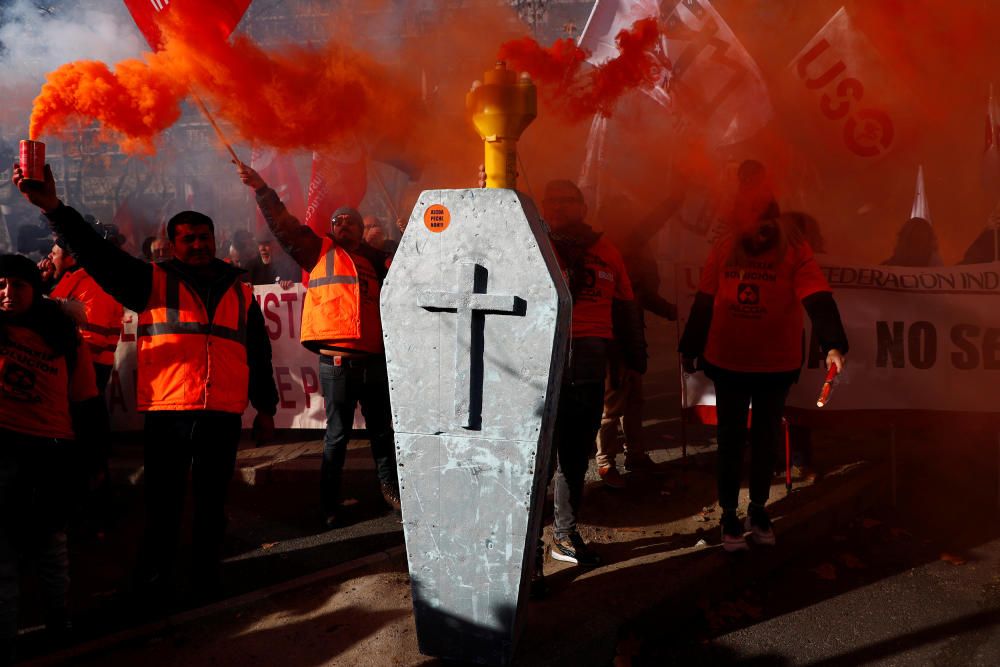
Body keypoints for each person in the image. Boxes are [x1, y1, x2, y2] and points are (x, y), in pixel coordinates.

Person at [12, 162, 279, 605]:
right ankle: (155, 580)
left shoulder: (241, 290)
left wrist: (265, 407)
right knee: (164, 506)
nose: (197, 244)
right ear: (173, 245)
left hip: (222, 416)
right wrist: (55, 209)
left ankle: (207, 576)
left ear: (214, 240)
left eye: (203, 237)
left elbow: (258, 353)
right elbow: (97, 253)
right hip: (169, 414)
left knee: (212, 506)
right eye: (188, 238)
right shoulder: (150, 280)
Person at [237, 162, 401, 527]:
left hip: (374, 363)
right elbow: (284, 225)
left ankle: (390, 491)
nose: (343, 225)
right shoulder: (318, 251)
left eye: (350, 222)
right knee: (338, 435)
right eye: (338, 221)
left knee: (381, 430)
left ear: (361, 230)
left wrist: (410, 240)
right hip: (337, 364)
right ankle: (329, 502)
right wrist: (263, 187)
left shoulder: (379, 262)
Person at [680, 212, 848, 552]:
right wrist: (691, 346)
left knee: (766, 438)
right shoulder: (725, 247)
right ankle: (728, 514)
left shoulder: (793, 250)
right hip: (729, 360)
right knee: (730, 439)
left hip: (775, 364)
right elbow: (705, 298)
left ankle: (758, 510)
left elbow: (817, 297)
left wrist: (833, 344)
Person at [540, 180, 645, 570]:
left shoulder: (607, 250)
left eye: (568, 201)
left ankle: (564, 535)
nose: (560, 207)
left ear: (583, 206)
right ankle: (530, 546)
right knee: (539, 461)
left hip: (589, 363)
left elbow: (626, 306)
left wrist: (634, 361)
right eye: (553, 201)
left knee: (575, 454)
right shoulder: (535, 243)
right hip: (543, 360)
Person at [0, 254, 97, 661]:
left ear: (34, 289)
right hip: (3, 452)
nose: (7, 293)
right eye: (0, 285)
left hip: (51, 452)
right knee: (2, 550)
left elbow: (87, 401)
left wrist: (92, 461)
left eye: (17, 285)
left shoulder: (65, 336)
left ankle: (58, 620)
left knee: (50, 544)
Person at [595, 195, 681, 488]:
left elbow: (642, 295)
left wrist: (669, 310)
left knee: (634, 401)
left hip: (632, 336)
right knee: (612, 405)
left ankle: (636, 454)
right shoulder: (605, 252)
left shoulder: (634, 253)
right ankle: (605, 462)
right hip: (612, 339)